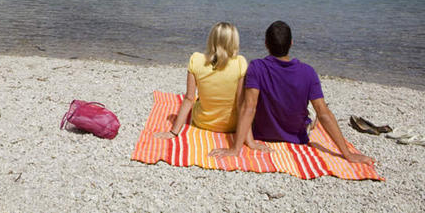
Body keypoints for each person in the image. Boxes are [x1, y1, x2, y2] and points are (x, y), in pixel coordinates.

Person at [208, 20, 375, 165]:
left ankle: (310, 123)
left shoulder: (256, 67)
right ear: (292, 43)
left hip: (264, 134)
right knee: (318, 112)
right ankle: (311, 124)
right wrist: (347, 154)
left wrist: (235, 149)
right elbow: (324, 113)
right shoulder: (308, 72)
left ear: (266, 43)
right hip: (298, 138)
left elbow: (248, 108)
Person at [154, 22, 267, 150]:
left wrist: (173, 132)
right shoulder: (240, 63)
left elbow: (189, 99)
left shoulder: (195, 60)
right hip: (232, 126)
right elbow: (241, 105)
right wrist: (250, 142)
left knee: (196, 100)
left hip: (203, 123)